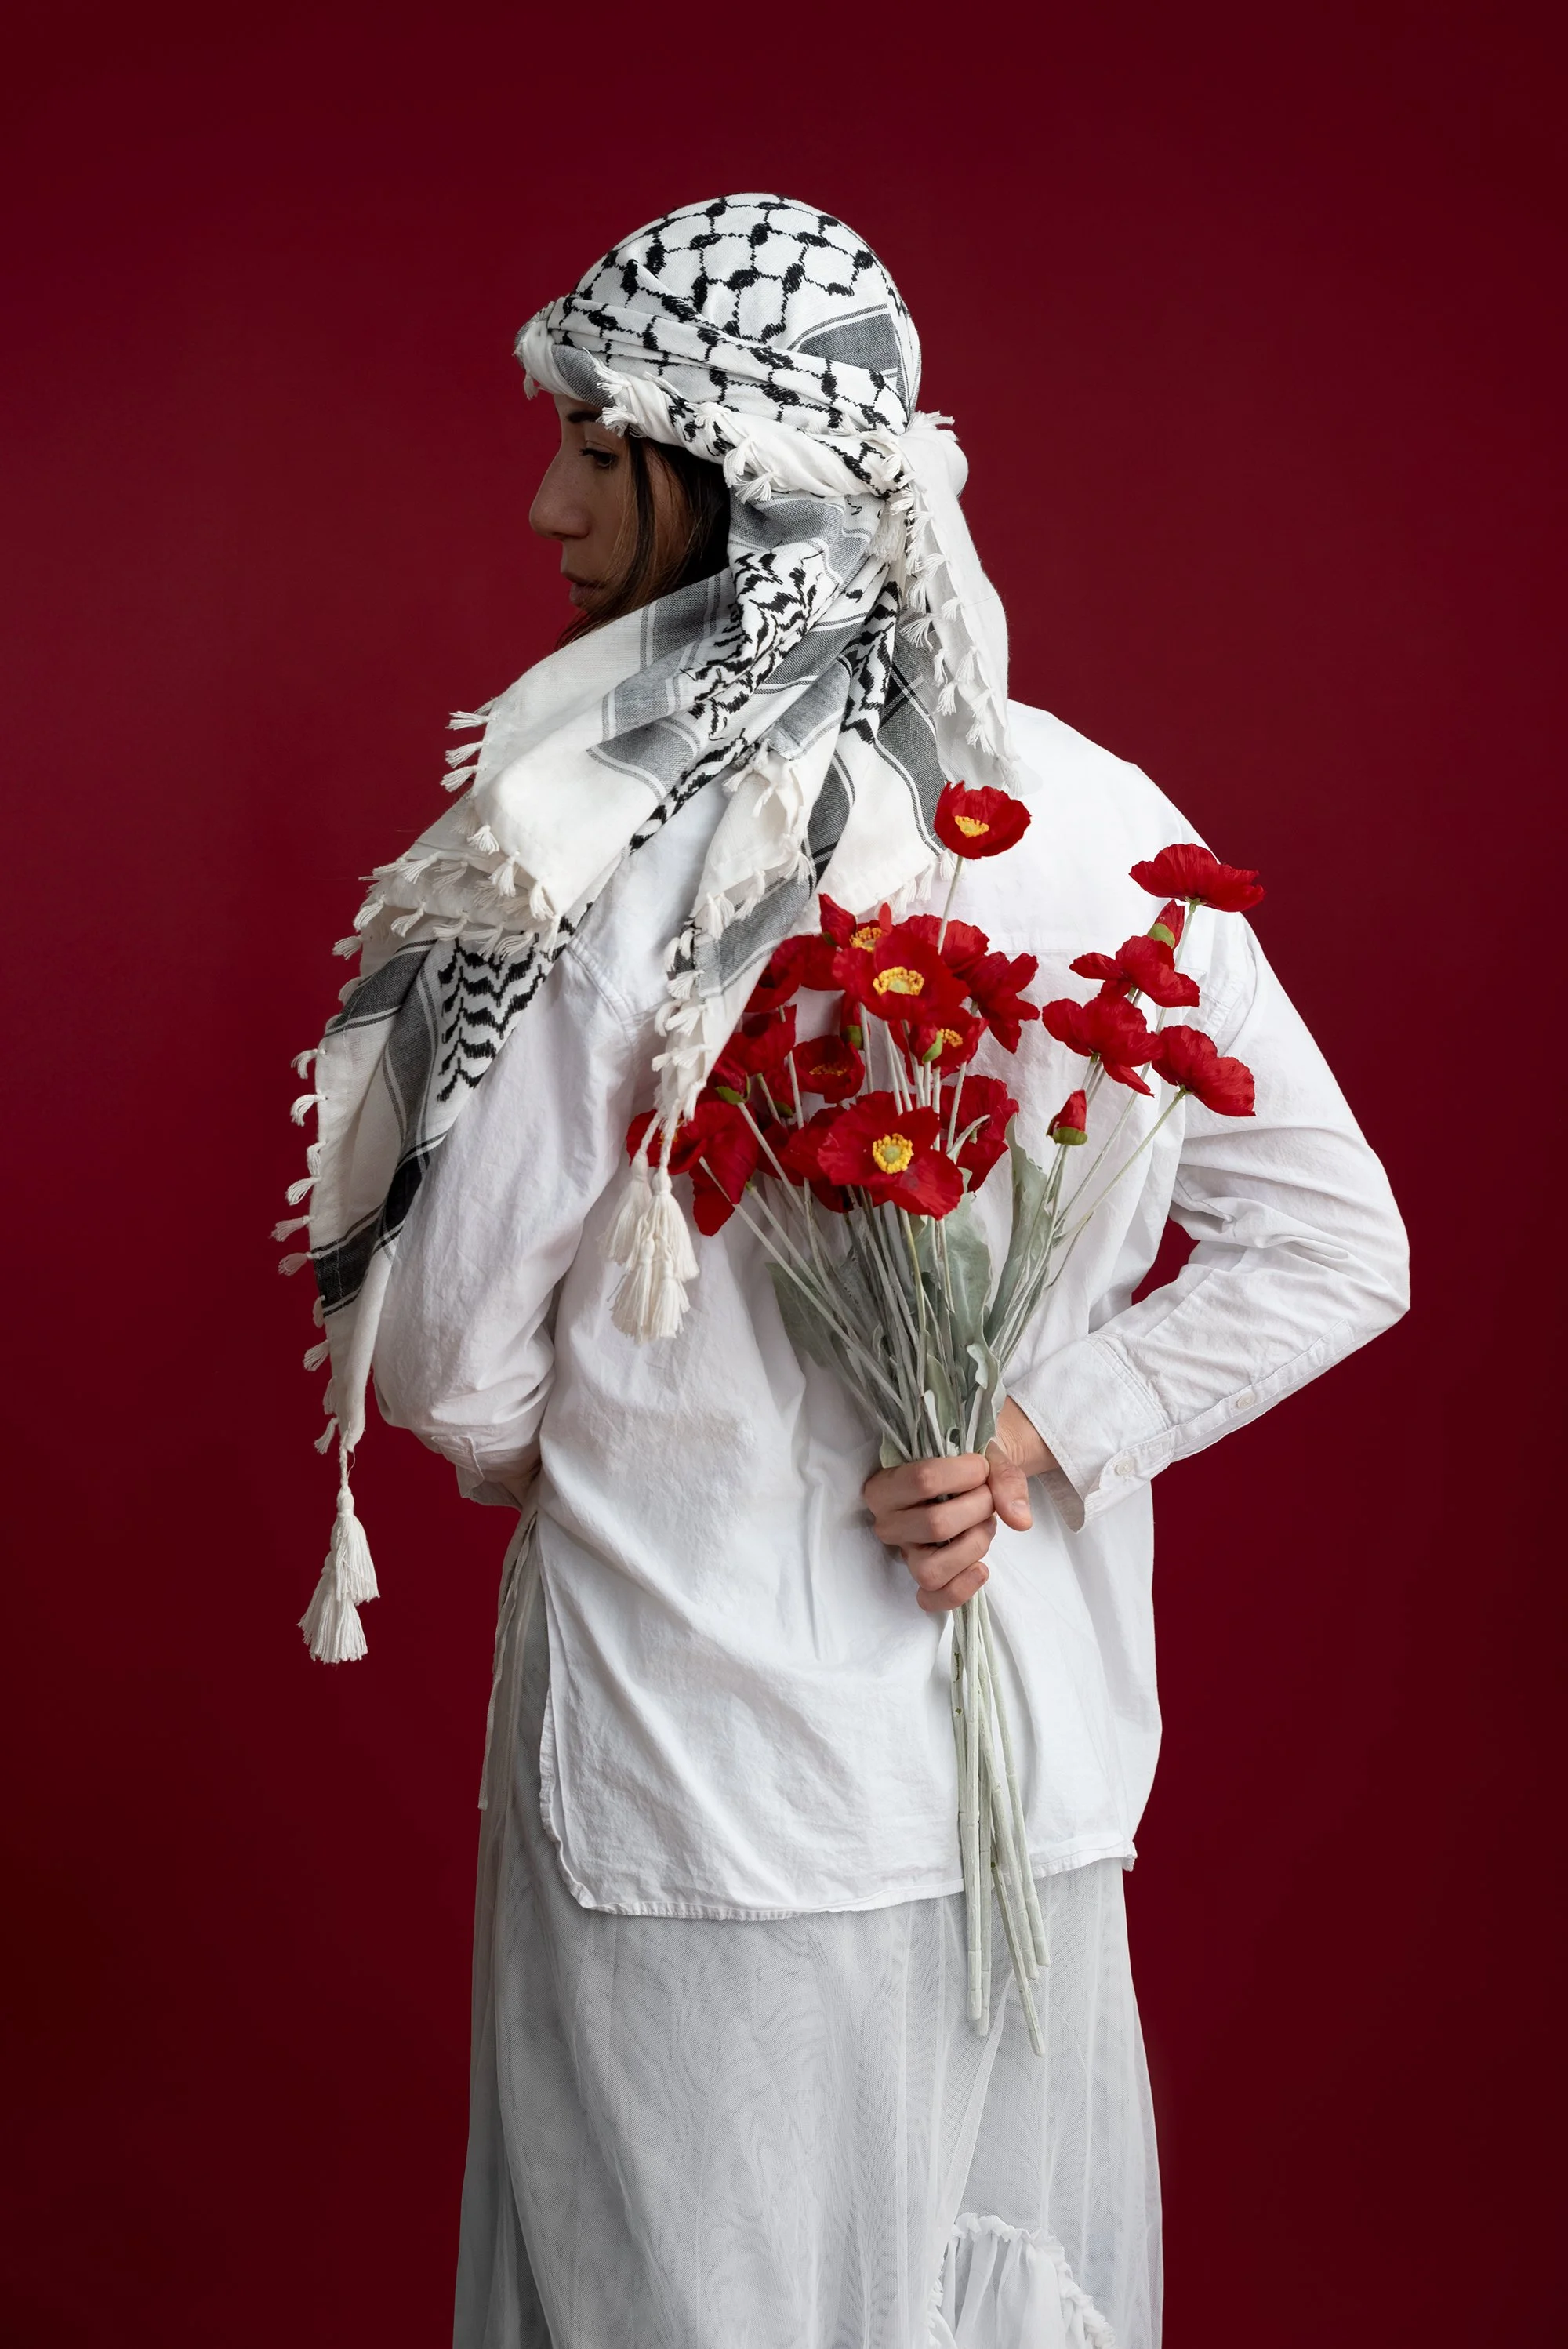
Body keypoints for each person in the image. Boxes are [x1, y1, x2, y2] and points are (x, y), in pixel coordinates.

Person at [289, 195, 1408, 2349]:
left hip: (698, 1795)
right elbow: (1333, 1233)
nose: (544, 507)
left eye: (592, 452)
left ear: (712, 466)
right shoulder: (1092, 817)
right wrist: (1036, 1433)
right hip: (1031, 1795)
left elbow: (444, 1364)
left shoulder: (589, 834)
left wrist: (637, 1449)